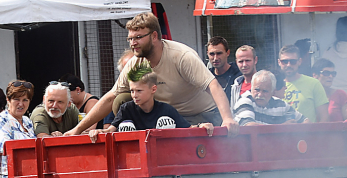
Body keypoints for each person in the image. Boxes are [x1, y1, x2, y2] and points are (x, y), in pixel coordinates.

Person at [67, 12, 238, 136]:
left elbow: (212, 85)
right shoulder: (136, 62)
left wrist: (228, 118)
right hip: (166, 118)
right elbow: (111, 97)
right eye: (130, 39)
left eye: (138, 37)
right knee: (122, 98)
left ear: (154, 36)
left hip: (202, 115)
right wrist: (77, 129)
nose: (133, 43)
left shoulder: (181, 56)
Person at [87, 72, 214, 136]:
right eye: (132, 91)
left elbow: (187, 128)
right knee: (126, 126)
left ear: (153, 89)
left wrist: (201, 125)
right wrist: (98, 132)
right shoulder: (126, 109)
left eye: (139, 91)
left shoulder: (166, 109)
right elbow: (110, 130)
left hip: (164, 156)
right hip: (134, 158)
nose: (134, 95)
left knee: (166, 121)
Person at [233, 71, 306, 126]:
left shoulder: (281, 104)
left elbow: (305, 121)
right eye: (257, 90)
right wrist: (282, 127)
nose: (260, 94)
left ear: (273, 92)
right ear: (251, 88)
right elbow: (250, 126)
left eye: (265, 91)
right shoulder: (245, 100)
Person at [280, 45, 329, 123]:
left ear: (299, 61)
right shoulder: (273, 85)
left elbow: (324, 118)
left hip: (308, 134)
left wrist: (317, 135)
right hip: (280, 135)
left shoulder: (313, 83)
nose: (288, 65)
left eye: (293, 62)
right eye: (284, 61)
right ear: (279, 62)